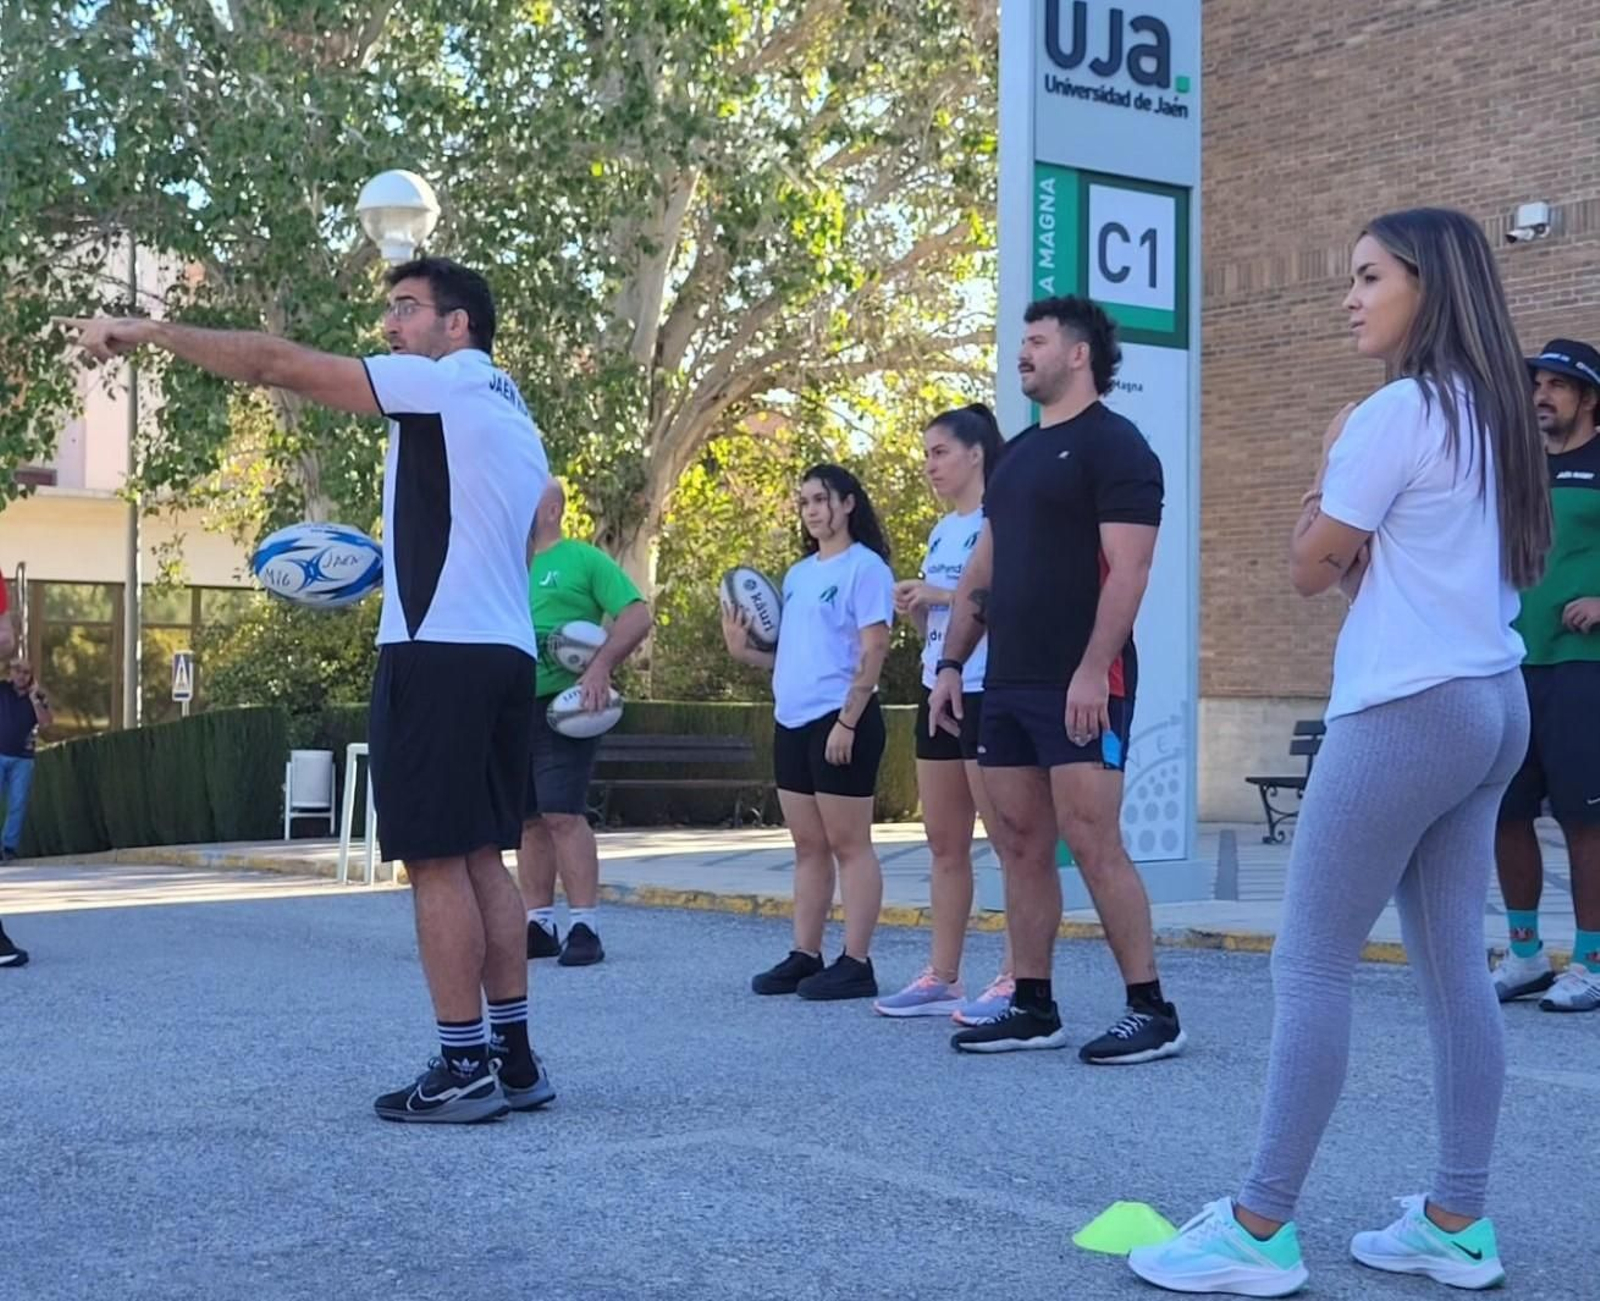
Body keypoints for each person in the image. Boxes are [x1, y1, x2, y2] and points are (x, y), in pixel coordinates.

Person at [1129, 208, 1551, 1296]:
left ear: (1429, 283)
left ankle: (1260, 1225)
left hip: (1405, 709)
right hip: (1492, 701)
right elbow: (1390, 573)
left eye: (1368, 277)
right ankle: (1457, 1218)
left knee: (1309, 957)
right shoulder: (1500, 413)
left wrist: (1322, 469)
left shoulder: (1395, 409)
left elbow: (1311, 568)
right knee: (1456, 966)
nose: (1347, 298)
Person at [59, 256, 556, 1124]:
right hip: (503, 651)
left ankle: (463, 1062)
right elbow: (541, 521)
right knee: (482, 853)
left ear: (458, 325)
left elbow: (273, 365)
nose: (391, 326)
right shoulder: (511, 409)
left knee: (434, 859)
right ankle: (514, 1059)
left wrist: (145, 332)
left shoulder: (436, 386)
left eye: (407, 309)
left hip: (436, 652)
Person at [929, 295, 1184, 1064]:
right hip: (1004, 679)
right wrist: (949, 661)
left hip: (1082, 679)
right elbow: (985, 565)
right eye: (1021, 340)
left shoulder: (1118, 447)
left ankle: (1151, 1008)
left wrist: (1088, 672)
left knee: (1093, 839)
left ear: (1079, 354)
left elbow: (1130, 571)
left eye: (1036, 340)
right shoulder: (1018, 459)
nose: (1022, 351)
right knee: (1018, 842)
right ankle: (1034, 1002)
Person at [721, 464, 894, 1001]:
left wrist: (848, 720)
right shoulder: (797, 576)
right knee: (807, 846)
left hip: (840, 719)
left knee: (850, 845)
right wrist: (740, 650)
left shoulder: (865, 569)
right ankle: (806, 952)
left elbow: (875, 647)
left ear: (847, 504)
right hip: (792, 720)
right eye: (804, 503)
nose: (812, 510)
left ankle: (857, 962)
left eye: (821, 499)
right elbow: (791, 657)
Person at [875, 404, 1015, 1022]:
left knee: (1014, 843)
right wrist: (919, 606)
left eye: (940, 452)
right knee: (944, 843)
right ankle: (944, 977)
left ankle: (1018, 979)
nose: (929, 464)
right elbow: (946, 616)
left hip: (990, 689)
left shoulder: (1002, 518)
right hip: (941, 689)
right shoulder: (941, 530)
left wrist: (940, 594)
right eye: (927, 453)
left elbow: (1007, 599)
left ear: (976, 453)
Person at [1491, 338, 1600, 1014]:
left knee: (1584, 819)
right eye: (1536, 383)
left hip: (1582, 669)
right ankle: (1527, 953)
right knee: (1503, 812)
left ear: (1589, 398)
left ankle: (1590, 958)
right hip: (1508, 662)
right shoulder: (1517, 468)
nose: (1541, 395)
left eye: (1558, 385)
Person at [519, 479, 653, 967]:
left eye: (525, 494)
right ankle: (538, 924)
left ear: (552, 507)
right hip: (509, 706)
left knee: (561, 814)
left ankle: (584, 926)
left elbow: (636, 615)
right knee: (527, 820)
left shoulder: (582, 559)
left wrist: (600, 666)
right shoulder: (504, 562)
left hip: (566, 704)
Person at [0, 660, 53, 861]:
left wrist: (35, 700)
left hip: (23, 757)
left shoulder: (38, 696)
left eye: (26, 672)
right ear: (10, 673)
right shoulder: (3, 690)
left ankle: (9, 847)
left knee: (18, 802)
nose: (21, 675)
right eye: (17, 671)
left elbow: (46, 722)